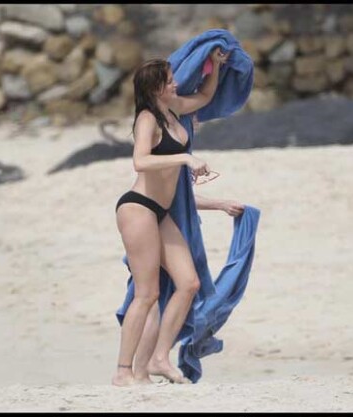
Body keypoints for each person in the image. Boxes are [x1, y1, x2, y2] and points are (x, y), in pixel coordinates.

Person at [112, 48, 245, 386]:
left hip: (161, 212)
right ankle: (124, 372)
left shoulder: (174, 110)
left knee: (189, 283)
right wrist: (185, 160)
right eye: (170, 81)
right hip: (138, 208)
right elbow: (140, 161)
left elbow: (205, 95)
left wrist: (213, 65)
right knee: (147, 294)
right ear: (156, 88)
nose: (176, 84)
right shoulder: (147, 119)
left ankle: (158, 358)